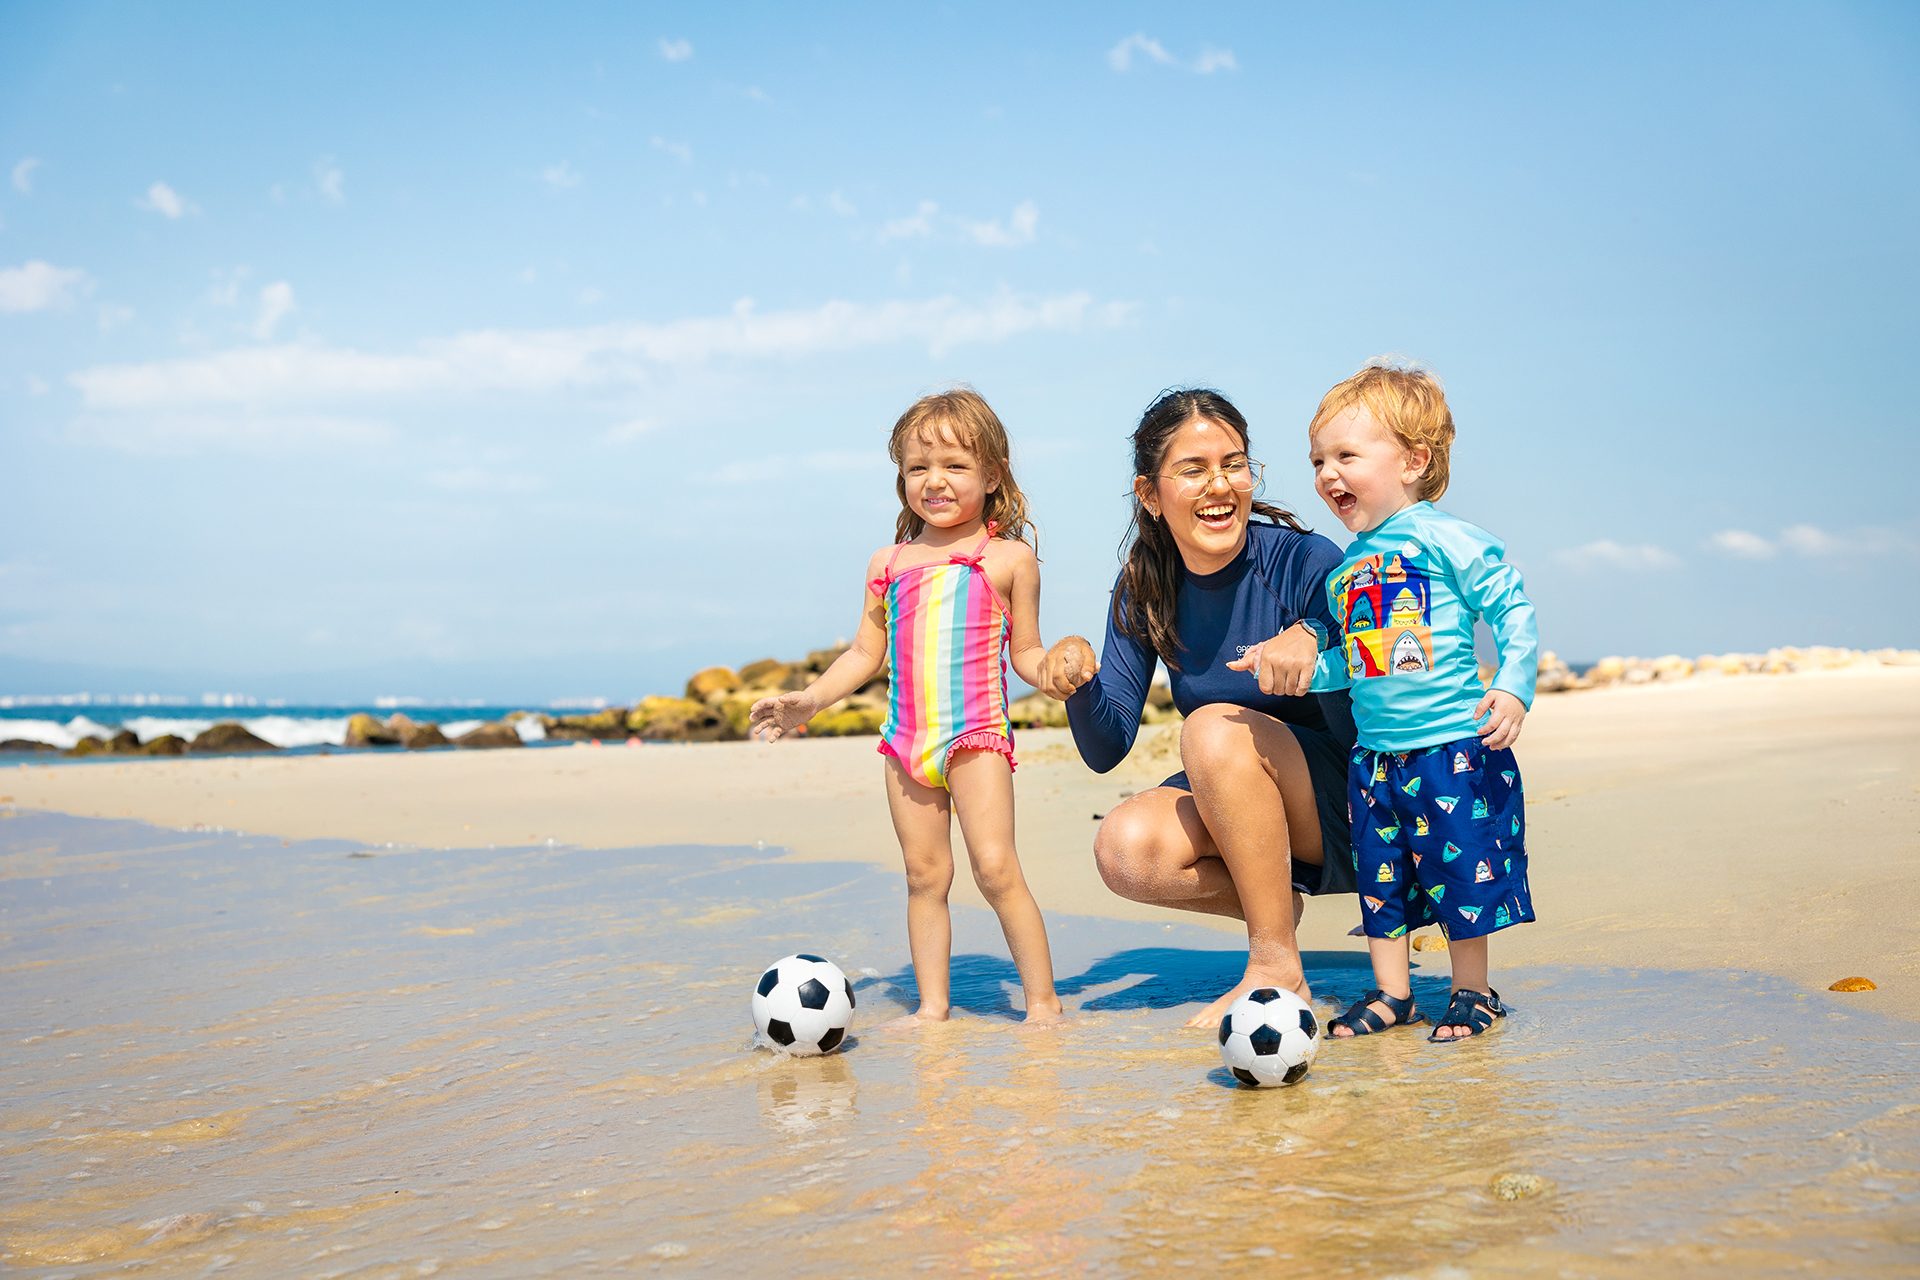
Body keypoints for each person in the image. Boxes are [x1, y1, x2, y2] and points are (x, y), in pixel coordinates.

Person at [1040, 389, 1358, 1030]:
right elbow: (1107, 748)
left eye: (1234, 464)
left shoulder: (1304, 559)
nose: (1220, 485)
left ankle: (1275, 965)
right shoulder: (1144, 588)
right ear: (1150, 495)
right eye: (1193, 469)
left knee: (1211, 725)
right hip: (1254, 811)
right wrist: (1076, 680)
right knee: (1126, 847)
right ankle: (1272, 905)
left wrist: (1317, 633)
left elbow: (1380, 660)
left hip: (1357, 806)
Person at [751, 389, 1068, 1026]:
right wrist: (809, 701)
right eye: (918, 467)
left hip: (975, 737)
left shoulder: (1006, 559)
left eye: (954, 465)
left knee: (996, 867)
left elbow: (1025, 652)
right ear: (901, 478)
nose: (935, 481)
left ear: (993, 473)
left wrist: (1056, 671)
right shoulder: (888, 563)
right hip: (905, 741)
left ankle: (1042, 1005)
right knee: (925, 876)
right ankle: (932, 1007)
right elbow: (865, 654)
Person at [1300, 361, 1538, 1041]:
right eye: (1318, 459)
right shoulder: (1349, 568)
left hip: (1452, 748)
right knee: (1383, 881)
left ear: (1412, 461)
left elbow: (1512, 608)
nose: (1326, 473)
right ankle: (1392, 993)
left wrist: (1513, 685)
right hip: (1375, 759)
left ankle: (1472, 989)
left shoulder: (1445, 538)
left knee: (1464, 870)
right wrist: (1304, 673)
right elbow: (1362, 659)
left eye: (1346, 454)